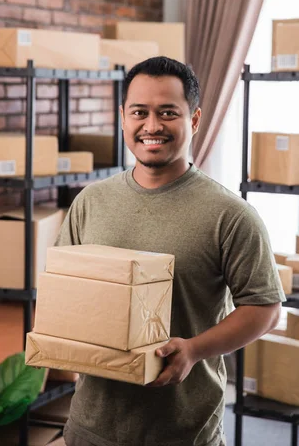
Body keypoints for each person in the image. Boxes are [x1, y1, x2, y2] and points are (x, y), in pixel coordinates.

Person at [56, 56, 285, 446]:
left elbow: (264, 308)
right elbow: (65, 288)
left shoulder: (230, 215)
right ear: (122, 118)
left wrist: (194, 350)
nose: (152, 126)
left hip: (183, 432)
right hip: (89, 429)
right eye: (139, 112)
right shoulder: (90, 202)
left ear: (194, 120)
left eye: (167, 113)